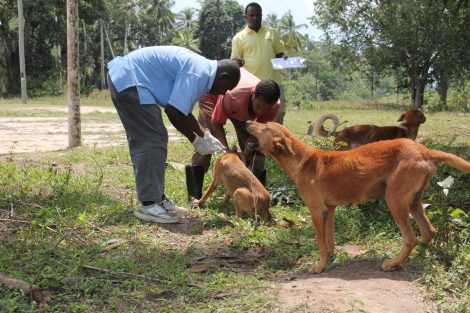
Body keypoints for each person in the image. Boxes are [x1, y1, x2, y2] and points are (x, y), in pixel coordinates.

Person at [107, 46, 240, 223]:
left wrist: (204, 134)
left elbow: (183, 110)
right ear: (223, 77)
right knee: (152, 139)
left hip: (129, 78)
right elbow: (173, 111)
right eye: (227, 88)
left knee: (154, 138)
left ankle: (157, 199)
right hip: (130, 81)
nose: (223, 93)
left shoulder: (202, 71)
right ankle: (149, 204)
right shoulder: (199, 74)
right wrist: (196, 141)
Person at [211, 67, 281, 185]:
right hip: (215, 92)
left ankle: (255, 192)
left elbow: (256, 133)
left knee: (256, 153)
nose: (260, 112)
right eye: (259, 106)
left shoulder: (274, 106)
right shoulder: (232, 96)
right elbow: (216, 123)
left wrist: (245, 154)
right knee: (205, 140)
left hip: (240, 110)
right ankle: (195, 197)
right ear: (254, 95)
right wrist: (227, 152)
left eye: (266, 109)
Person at [231, 2, 288, 124]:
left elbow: (280, 53)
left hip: (274, 83)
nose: (255, 18)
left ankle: (275, 142)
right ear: (246, 17)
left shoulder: (272, 33)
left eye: (258, 15)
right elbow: (234, 61)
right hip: (253, 87)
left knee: (278, 115)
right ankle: (254, 142)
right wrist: (237, 62)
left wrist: (284, 58)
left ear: (262, 15)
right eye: (252, 15)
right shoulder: (238, 38)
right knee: (254, 118)